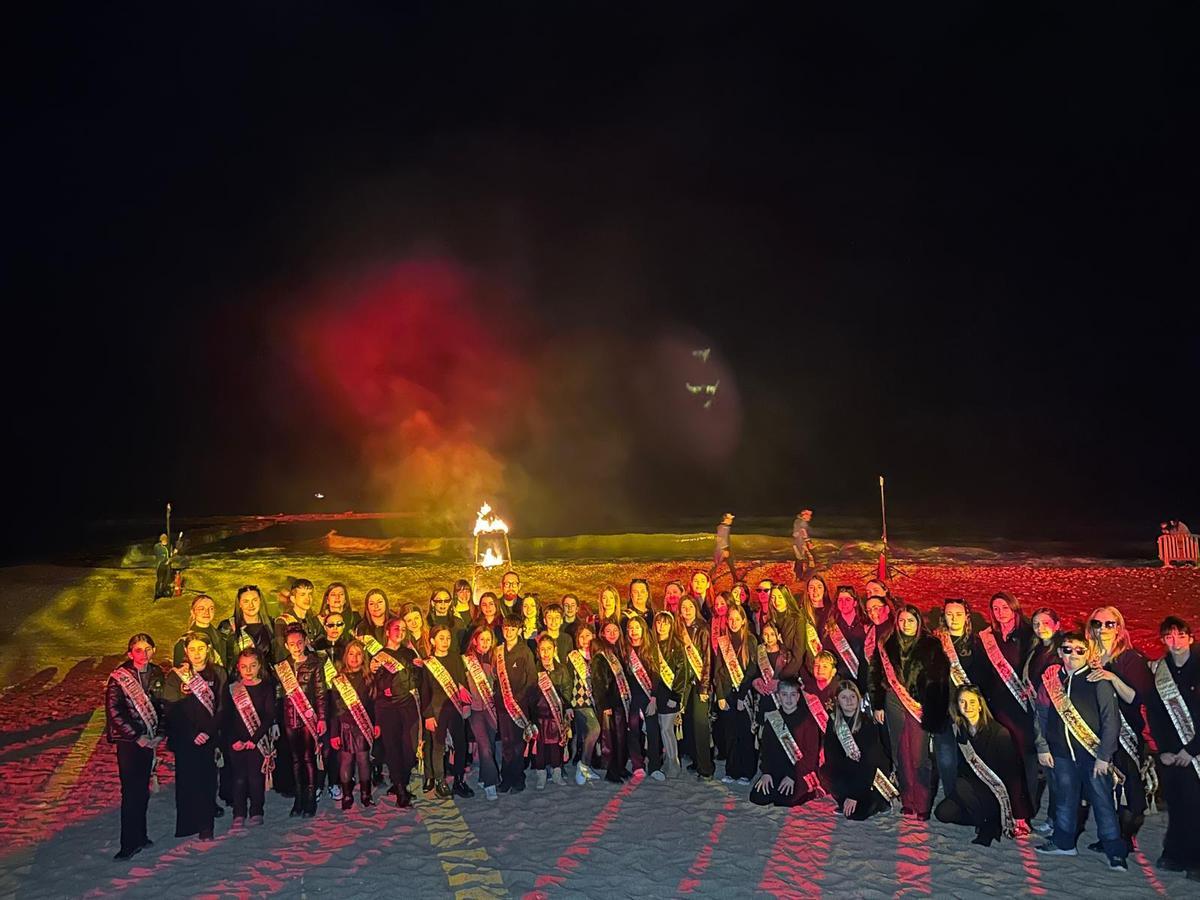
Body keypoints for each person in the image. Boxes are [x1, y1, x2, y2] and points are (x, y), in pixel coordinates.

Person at [1033, 630, 1128, 871]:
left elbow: (1111, 721)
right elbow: (1041, 715)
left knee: (1103, 802)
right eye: (1067, 649)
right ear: (1060, 652)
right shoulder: (1051, 682)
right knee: (1065, 800)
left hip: (1093, 754)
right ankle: (1064, 843)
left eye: (1079, 650)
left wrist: (1104, 756)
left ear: (1088, 653)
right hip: (1061, 754)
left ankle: (1114, 851)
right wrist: (1043, 746)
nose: (1073, 655)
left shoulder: (1099, 681)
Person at [868, 603, 949, 819]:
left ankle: (922, 804)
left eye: (910, 620)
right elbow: (875, 673)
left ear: (919, 622)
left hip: (919, 705)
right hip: (893, 701)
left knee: (919, 757)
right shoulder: (887, 643)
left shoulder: (931, 644)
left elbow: (938, 680)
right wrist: (877, 703)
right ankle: (908, 800)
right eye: (902, 620)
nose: (906, 624)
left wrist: (933, 713)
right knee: (900, 753)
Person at [1085, 605, 1153, 856]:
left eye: (1108, 624)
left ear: (1119, 628)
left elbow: (1137, 698)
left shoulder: (1130, 659)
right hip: (1097, 733)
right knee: (1106, 788)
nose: (1102, 628)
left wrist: (1111, 677)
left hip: (1125, 734)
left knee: (1128, 788)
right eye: (1097, 623)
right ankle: (1110, 836)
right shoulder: (1087, 655)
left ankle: (1126, 837)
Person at [935, 685, 1033, 846]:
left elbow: (1013, 775)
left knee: (961, 786)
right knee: (943, 813)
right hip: (972, 790)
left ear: (980, 705)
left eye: (972, 702)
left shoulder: (999, 732)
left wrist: (1019, 814)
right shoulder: (960, 729)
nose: (968, 707)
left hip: (995, 790)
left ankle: (988, 824)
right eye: (963, 702)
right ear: (957, 706)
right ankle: (987, 819)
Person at [973, 592, 1038, 834]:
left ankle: (1025, 812)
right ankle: (1006, 807)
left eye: (1004, 607)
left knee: (1025, 760)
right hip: (996, 707)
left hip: (1022, 707)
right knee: (1003, 760)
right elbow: (981, 671)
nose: (1000, 612)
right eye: (995, 608)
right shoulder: (987, 638)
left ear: (1014, 609)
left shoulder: (1028, 635)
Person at [1144, 616, 1200, 880]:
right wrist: (1164, 749)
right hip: (1171, 752)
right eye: (1169, 637)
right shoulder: (1161, 670)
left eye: (1180, 635)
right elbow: (1155, 714)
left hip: (1195, 750)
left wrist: (1192, 749)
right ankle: (1175, 853)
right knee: (1177, 804)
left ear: (1190, 637)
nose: (1175, 642)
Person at [106, 633, 165, 860]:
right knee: (131, 792)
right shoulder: (119, 678)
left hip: (150, 739)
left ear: (154, 650)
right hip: (129, 743)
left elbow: (162, 705)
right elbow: (115, 712)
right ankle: (128, 843)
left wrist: (159, 734)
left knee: (143, 790)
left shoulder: (157, 673)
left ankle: (141, 835)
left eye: (148, 649)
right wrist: (136, 736)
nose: (144, 654)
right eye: (138, 650)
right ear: (130, 653)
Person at [164, 631, 226, 841]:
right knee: (186, 780)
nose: (197, 654)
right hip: (185, 738)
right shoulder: (175, 675)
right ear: (186, 652)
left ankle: (206, 825)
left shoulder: (218, 673)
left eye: (201, 648)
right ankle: (188, 823)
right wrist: (192, 734)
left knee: (208, 780)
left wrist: (208, 732)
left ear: (208, 649)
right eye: (192, 649)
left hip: (209, 737)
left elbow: (221, 707)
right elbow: (171, 709)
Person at [821, 680, 895, 820]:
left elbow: (870, 764)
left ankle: (879, 801)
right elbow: (831, 756)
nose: (849, 701)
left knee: (857, 815)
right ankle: (847, 800)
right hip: (849, 771)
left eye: (852, 696)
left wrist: (854, 794)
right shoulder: (833, 723)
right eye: (844, 697)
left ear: (858, 698)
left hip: (869, 776)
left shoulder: (867, 723)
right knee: (825, 771)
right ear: (837, 701)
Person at [275, 624, 327, 817]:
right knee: (296, 760)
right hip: (289, 719)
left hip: (308, 718)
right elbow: (278, 695)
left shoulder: (315, 664)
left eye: (299, 642)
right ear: (286, 646)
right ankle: (298, 797)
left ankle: (311, 797)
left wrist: (321, 718)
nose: (296, 646)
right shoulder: (282, 667)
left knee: (308, 758)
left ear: (305, 642)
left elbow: (321, 694)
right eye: (292, 644)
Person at [223, 648, 276, 828]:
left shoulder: (266, 687)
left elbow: (269, 716)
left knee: (255, 778)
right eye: (244, 666)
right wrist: (233, 740)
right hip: (236, 741)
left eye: (253, 666)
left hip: (257, 741)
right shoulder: (232, 689)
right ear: (238, 667)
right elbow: (227, 717)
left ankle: (256, 811)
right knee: (238, 778)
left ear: (259, 666)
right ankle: (239, 812)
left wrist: (254, 740)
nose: (248, 670)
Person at [421, 624, 474, 800]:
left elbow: (462, 682)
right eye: (441, 638)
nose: (445, 642)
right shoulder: (428, 663)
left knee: (461, 744)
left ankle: (459, 780)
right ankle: (440, 781)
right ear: (432, 641)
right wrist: (427, 714)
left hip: (455, 707)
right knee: (438, 746)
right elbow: (425, 691)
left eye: (448, 638)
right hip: (436, 709)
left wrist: (466, 704)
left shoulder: (455, 658)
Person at [932, 599, 978, 802]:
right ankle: (951, 796)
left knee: (971, 753)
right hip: (942, 705)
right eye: (949, 614)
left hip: (969, 708)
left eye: (959, 614)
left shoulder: (977, 642)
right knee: (945, 754)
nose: (954, 619)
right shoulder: (935, 640)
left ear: (966, 617)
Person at [751, 678, 821, 807]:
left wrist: (792, 776)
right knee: (758, 797)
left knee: (784, 800)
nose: (789, 699)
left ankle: (809, 791)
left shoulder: (808, 721)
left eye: (793, 695)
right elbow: (766, 750)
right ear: (778, 696)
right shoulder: (773, 718)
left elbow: (811, 755)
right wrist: (766, 772)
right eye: (784, 695)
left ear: (799, 696)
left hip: (799, 770)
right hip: (777, 768)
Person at [1024, 606, 1063, 828]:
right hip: (1039, 711)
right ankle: (1053, 817)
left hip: (1055, 717)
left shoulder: (1061, 652)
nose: (1041, 628)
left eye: (1046, 623)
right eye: (1037, 624)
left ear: (1057, 625)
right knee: (1051, 773)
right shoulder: (1037, 649)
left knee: (1058, 773)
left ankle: (1059, 820)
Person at [715, 604, 758, 784]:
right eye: (730, 619)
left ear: (743, 621)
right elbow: (719, 670)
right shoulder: (723, 641)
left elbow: (752, 669)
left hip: (745, 694)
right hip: (728, 694)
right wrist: (721, 696)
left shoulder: (751, 640)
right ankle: (731, 770)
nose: (733, 622)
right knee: (730, 734)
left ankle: (746, 771)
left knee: (745, 734)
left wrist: (742, 696)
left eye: (736, 619)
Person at [494, 614, 537, 793]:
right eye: (506, 628)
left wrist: (520, 697)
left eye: (513, 629)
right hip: (503, 705)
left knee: (519, 743)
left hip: (519, 706)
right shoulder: (498, 651)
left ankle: (519, 777)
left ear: (519, 630)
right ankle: (507, 777)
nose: (509, 632)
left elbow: (532, 679)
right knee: (506, 742)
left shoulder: (525, 651)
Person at [463, 627, 502, 800]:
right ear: (474, 641)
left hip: (491, 708)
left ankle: (483, 777)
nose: (485, 643)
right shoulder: (466, 661)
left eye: (488, 640)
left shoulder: (495, 660)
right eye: (482, 639)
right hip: (475, 710)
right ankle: (490, 783)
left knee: (491, 745)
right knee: (484, 745)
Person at [678, 596, 715, 780]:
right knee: (690, 723)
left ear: (695, 608)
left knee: (701, 725)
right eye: (683, 607)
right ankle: (696, 760)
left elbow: (707, 658)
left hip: (700, 683)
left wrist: (705, 687)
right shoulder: (679, 628)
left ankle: (706, 768)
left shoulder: (703, 628)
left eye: (690, 606)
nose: (687, 610)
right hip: (685, 684)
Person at [593, 621, 632, 782]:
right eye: (608, 631)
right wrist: (604, 705)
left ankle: (621, 767)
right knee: (610, 739)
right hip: (609, 704)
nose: (612, 633)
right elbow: (598, 682)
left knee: (622, 737)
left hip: (621, 702)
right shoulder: (600, 656)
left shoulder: (619, 651)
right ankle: (612, 771)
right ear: (602, 634)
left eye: (615, 630)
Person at [532, 634, 573, 789]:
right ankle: (541, 776)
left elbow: (567, 689)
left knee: (557, 746)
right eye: (543, 649)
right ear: (538, 651)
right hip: (539, 716)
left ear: (555, 650)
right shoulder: (534, 668)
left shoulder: (561, 669)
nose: (546, 653)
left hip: (555, 716)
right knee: (540, 748)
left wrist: (567, 706)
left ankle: (556, 773)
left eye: (549, 649)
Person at [623, 615, 662, 779]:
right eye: (631, 628)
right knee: (633, 730)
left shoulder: (651, 648)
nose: (634, 631)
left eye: (637, 627)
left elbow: (656, 674)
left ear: (643, 630)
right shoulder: (624, 650)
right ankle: (637, 764)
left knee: (653, 731)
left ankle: (654, 767)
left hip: (648, 696)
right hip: (631, 697)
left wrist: (654, 698)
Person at [568, 622, 602, 784]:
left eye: (588, 635)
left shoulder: (598, 655)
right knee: (595, 729)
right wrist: (567, 704)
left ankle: (585, 767)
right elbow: (568, 681)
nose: (585, 639)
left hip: (595, 701)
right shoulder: (573, 656)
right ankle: (583, 766)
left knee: (586, 735)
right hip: (579, 701)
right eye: (581, 637)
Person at [823, 585, 869, 692]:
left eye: (848, 600)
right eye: (840, 600)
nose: (844, 603)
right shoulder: (831, 627)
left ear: (855, 602)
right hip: (840, 681)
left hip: (864, 679)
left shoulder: (866, 624)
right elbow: (827, 655)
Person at [220, 586, 276, 672]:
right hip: (238, 681)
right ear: (239, 604)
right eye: (246, 601)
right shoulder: (228, 627)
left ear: (260, 601)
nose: (251, 605)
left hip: (266, 680)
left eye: (255, 600)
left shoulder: (271, 624)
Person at [767, 585, 812, 679]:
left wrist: (782, 676)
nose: (776, 601)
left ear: (787, 597)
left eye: (780, 597)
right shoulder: (770, 620)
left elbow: (798, 656)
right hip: (772, 669)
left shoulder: (798, 619)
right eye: (773, 597)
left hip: (791, 672)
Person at [173, 594, 225, 668]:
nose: (207, 612)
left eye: (211, 608)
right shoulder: (184, 641)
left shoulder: (220, 635)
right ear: (193, 612)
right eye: (201, 609)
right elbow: (180, 673)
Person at [274, 578, 323, 648]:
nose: (307, 598)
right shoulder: (284, 621)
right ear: (293, 599)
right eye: (303, 595)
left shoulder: (312, 621)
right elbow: (283, 650)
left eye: (310, 594)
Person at [356, 588, 393, 655]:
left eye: (380, 602)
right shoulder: (362, 628)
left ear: (386, 603)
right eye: (371, 604)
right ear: (367, 607)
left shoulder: (396, 623)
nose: (376, 606)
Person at [707, 512, 738, 585]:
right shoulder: (723, 527)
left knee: (731, 565)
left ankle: (736, 580)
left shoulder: (726, 527)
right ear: (726, 519)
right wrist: (725, 550)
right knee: (716, 565)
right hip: (722, 550)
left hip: (725, 549)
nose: (731, 520)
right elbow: (720, 539)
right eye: (730, 519)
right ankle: (708, 578)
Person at [792, 509, 816, 578]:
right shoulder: (802, 522)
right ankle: (800, 576)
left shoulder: (797, 521)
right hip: (800, 544)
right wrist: (808, 542)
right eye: (809, 515)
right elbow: (803, 533)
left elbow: (796, 533)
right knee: (802, 559)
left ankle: (798, 575)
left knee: (800, 559)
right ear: (804, 515)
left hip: (798, 543)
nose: (810, 517)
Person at [153, 533, 172, 599]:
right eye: (163, 539)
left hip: (167, 566)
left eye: (165, 539)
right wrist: (163, 560)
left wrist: (170, 559)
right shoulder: (157, 546)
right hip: (160, 565)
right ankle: (158, 592)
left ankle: (165, 591)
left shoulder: (169, 546)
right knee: (160, 579)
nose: (165, 541)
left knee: (167, 579)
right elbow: (157, 554)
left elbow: (170, 555)